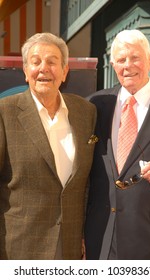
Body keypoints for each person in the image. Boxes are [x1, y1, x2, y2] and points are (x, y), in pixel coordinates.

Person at [0, 32, 97, 260]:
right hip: (18, 249)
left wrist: (84, 234)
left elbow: (88, 182)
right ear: (25, 71)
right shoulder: (5, 112)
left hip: (70, 247)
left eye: (52, 62)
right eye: (35, 62)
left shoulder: (86, 112)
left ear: (64, 71)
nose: (43, 68)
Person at [84, 29, 150, 260]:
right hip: (101, 239)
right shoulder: (94, 106)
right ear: (113, 64)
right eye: (121, 60)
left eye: (135, 58)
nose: (128, 65)